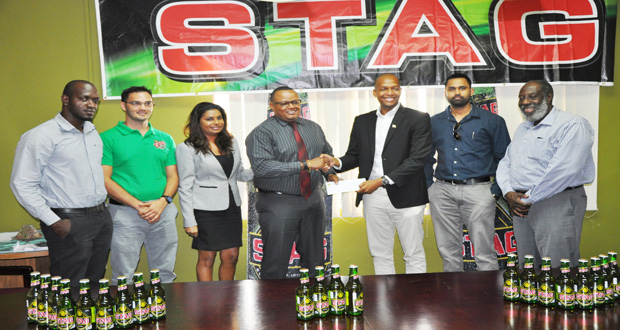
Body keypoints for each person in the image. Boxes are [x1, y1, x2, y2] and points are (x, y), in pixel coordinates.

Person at [322, 74, 432, 275]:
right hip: (373, 197)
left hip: (407, 195)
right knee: (380, 253)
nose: (389, 93)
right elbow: (354, 156)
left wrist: (381, 181)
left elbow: (417, 159)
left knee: (413, 253)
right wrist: (335, 162)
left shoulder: (418, 118)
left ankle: (416, 303)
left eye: (394, 88)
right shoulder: (362, 121)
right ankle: (385, 303)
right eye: (384, 89)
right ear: (375, 92)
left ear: (400, 90)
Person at [10, 80, 112, 286]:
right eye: (84, 99)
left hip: (101, 217)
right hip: (67, 220)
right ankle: (66, 320)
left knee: (94, 282)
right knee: (69, 286)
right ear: (65, 100)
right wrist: (53, 221)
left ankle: (89, 320)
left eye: (95, 100)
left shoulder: (92, 133)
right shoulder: (40, 136)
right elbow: (21, 184)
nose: (91, 104)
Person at [496, 80, 595, 268]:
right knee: (527, 266)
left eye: (532, 96)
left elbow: (563, 171)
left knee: (558, 265)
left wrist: (526, 199)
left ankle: (562, 299)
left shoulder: (573, 125)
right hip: (521, 204)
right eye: (521, 97)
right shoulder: (523, 128)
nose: (525, 102)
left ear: (549, 97)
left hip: (556, 200)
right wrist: (508, 192)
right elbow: (506, 163)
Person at [245, 86, 336, 279]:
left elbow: (326, 154)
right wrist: (305, 165)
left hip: (313, 199)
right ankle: (271, 307)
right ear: (272, 106)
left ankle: (313, 303)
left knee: (315, 260)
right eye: (284, 103)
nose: (291, 106)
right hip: (279, 202)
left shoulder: (313, 128)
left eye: (295, 102)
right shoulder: (261, 133)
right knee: (276, 261)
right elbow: (263, 168)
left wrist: (330, 173)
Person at [425, 73, 511, 272]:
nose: (457, 92)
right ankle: (453, 298)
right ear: (446, 92)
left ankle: (488, 298)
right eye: (452, 89)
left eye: (462, 88)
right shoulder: (434, 122)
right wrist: (430, 188)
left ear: (471, 91)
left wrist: (495, 191)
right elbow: (426, 157)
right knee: (448, 251)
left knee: (484, 251)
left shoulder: (492, 121)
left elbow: (505, 159)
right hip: (443, 192)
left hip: (479, 191)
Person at [100, 86, 179, 284]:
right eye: (135, 103)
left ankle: (164, 312)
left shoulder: (165, 138)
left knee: (165, 273)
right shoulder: (107, 138)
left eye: (147, 103)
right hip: (125, 215)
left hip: (163, 212)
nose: (142, 107)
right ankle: (124, 315)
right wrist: (138, 205)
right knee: (122, 274)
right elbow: (104, 179)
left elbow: (173, 176)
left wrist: (163, 202)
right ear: (123, 106)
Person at [176, 102, 253, 281]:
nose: (216, 122)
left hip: (231, 206)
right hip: (205, 211)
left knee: (231, 256)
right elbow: (185, 186)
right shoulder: (186, 148)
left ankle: (227, 299)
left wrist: (264, 170)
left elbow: (239, 173)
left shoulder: (231, 142)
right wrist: (189, 220)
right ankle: (207, 302)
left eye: (219, 118)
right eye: (209, 119)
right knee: (207, 258)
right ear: (198, 122)